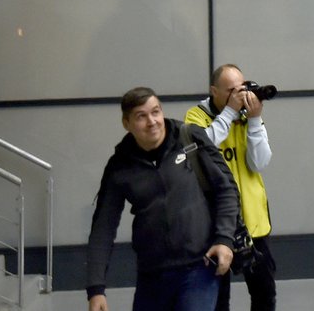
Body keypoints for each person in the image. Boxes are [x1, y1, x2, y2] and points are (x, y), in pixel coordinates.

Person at [86, 87, 240, 311]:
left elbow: (226, 189)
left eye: (155, 112)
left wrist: (224, 240)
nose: (152, 121)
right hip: (152, 275)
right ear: (126, 124)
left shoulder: (190, 138)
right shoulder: (119, 166)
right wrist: (96, 288)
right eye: (141, 116)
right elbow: (103, 227)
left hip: (200, 266)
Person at [185, 65, 277, 311]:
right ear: (213, 91)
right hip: (215, 225)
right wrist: (229, 113)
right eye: (231, 91)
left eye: (242, 88)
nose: (239, 95)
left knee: (264, 294)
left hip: (254, 220)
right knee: (217, 299)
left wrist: (255, 120)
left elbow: (259, 162)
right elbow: (201, 150)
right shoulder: (196, 117)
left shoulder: (248, 116)